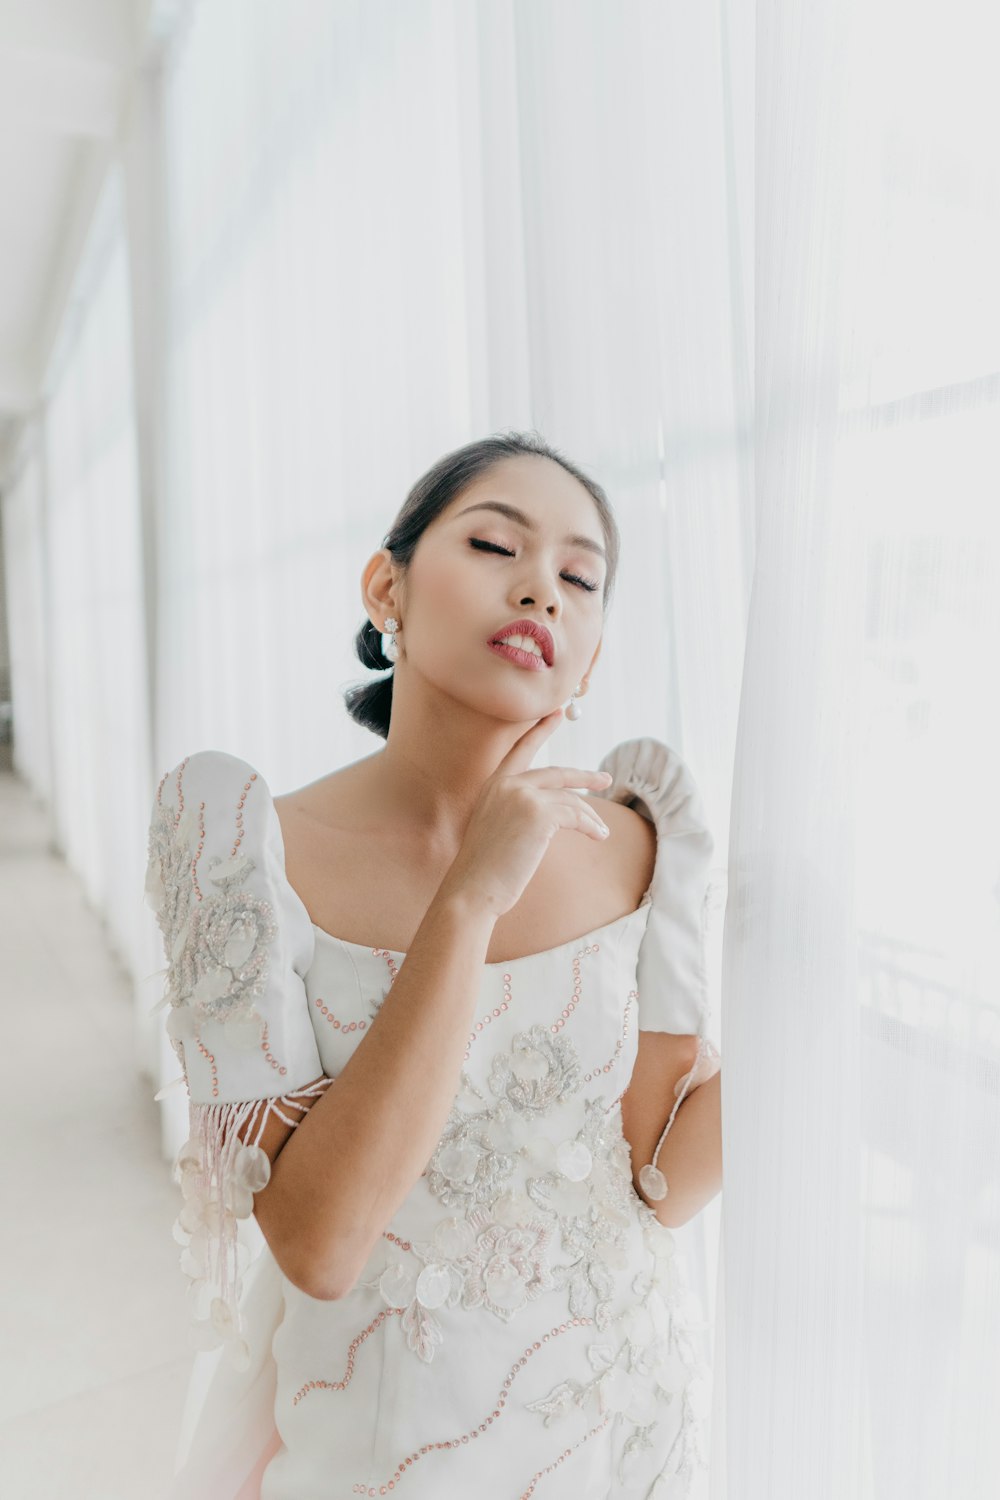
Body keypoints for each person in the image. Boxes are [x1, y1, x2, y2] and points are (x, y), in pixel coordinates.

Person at [145, 431, 723, 1500]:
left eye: (580, 577)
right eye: (496, 544)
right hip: (387, 1442)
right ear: (386, 587)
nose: (541, 590)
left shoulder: (650, 842)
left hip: (621, 1422)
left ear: (590, 652)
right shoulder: (237, 847)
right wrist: (471, 897)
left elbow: (656, 1183)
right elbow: (317, 1245)